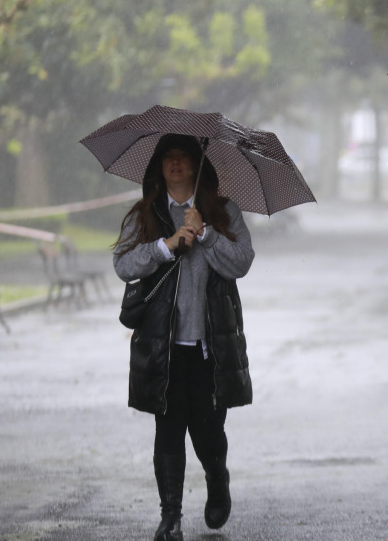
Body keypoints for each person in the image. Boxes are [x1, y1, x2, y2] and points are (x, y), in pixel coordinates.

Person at [113, 133, 255, 541]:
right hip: (164, 348)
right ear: (159, 166)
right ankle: (170, 516)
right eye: (168, 157)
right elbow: (123, 264)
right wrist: (166, 244)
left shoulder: (225, 211)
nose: (175, 162)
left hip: (210, 346)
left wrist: (206, 233)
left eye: (183, 156)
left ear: (196, 165)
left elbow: (241, 262)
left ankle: (216, 476)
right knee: (169, 430)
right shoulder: (145, 214)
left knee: (209, 432)